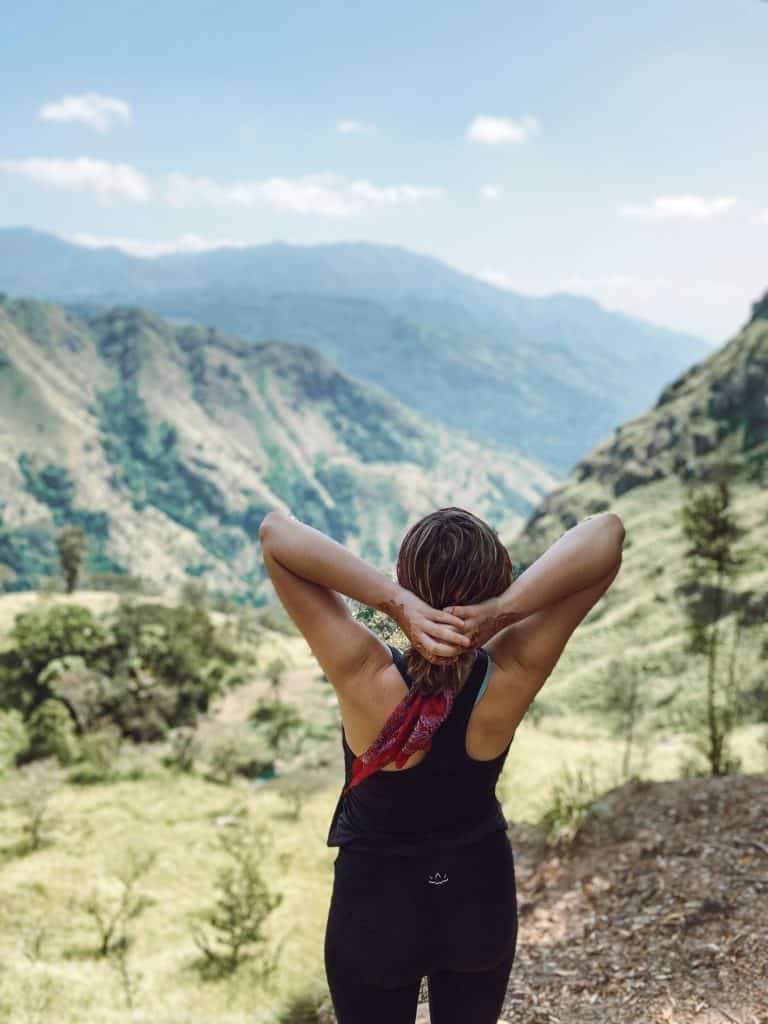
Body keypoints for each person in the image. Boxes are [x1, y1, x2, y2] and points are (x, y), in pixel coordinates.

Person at [259, 505, 625, 1024]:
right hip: (477, 900)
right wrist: (503, 610)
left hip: (375, 914)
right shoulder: (513, 671)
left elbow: (276, 535)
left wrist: (395, 602)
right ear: (496, 580)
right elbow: (606, 535)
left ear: (407, 579)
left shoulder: (362, 672)